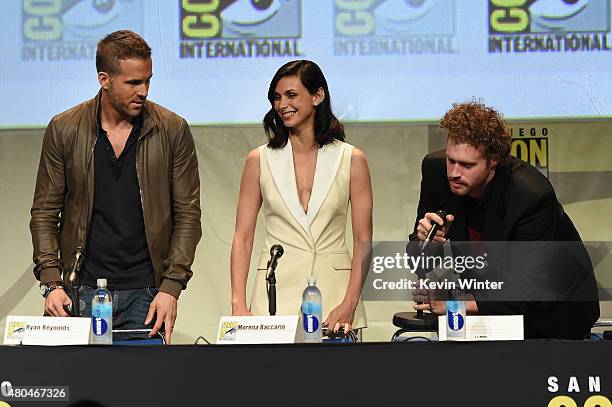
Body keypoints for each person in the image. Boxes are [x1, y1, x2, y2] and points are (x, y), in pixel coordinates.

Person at [30, 30, 201, 344]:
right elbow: (44, 213)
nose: (144, 91)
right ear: (104, 79)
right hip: (79, 292)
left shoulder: (172, 130)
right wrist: (51, 283)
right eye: (133, 83)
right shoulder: (65, 129)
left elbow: (188, 217)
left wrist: (170, 287)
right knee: (80, 387)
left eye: (148, 80)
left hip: (148, 294)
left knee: (144, 389)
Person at [408, 100, 599, 339]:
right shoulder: (436, 172)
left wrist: (452, 305)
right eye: (451, 160)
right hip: (487, 304)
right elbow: (418, 263)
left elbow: (526, 292)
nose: (454, 173)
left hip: (553, 313)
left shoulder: (531, 195)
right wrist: (428, 242)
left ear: (494, 160)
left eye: (467, 165)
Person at [230, 60, 373, 334]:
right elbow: (242, 237)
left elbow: (363, 240)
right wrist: (238, 302)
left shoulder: (351, 159)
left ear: (317, 96)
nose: (282, 104)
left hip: (335, 299)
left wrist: (350, 302)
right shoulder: (259, 160)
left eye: (291, 95)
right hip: (273, 295)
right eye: (277, 97)